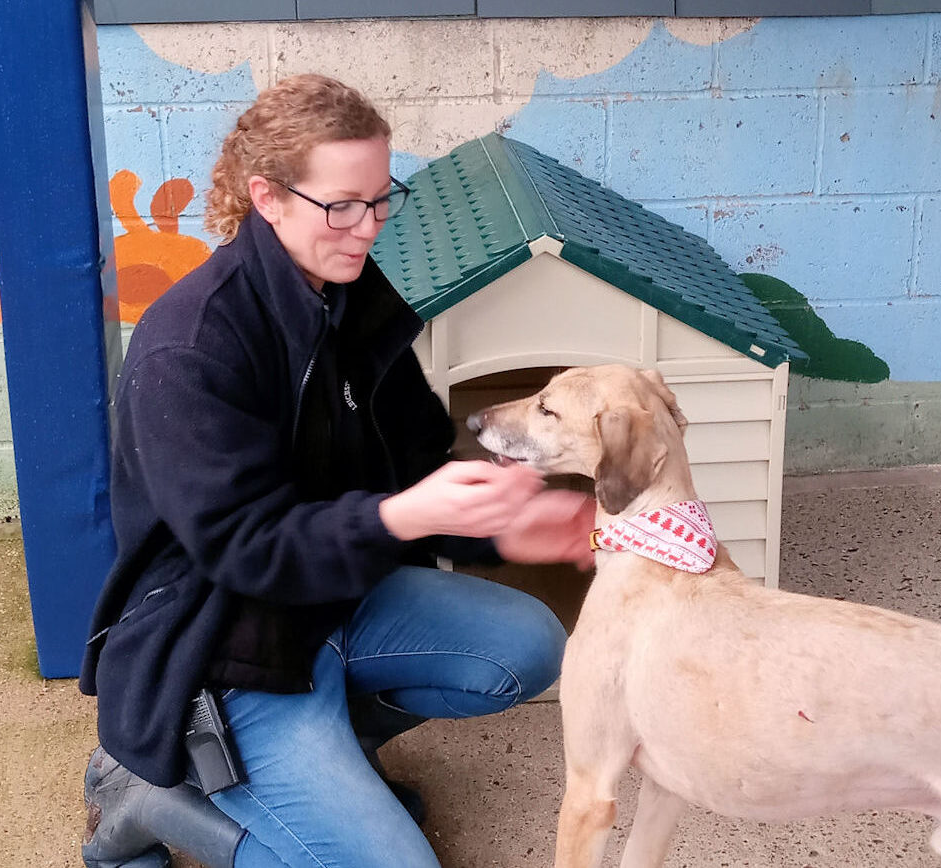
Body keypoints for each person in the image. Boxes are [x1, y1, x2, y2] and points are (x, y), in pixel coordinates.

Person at [79, 73, 595, 868]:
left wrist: (505, 523)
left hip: (337, 599)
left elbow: (416, 456)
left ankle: (328, 756)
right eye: (342, 206)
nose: (368, 227)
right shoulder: (193, 345)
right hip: (224, 642)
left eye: (381, 199)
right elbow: (243, 546)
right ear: (269, 197)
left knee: (527, 645)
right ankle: (150, 799)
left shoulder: (355, 293)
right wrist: (400, 519)